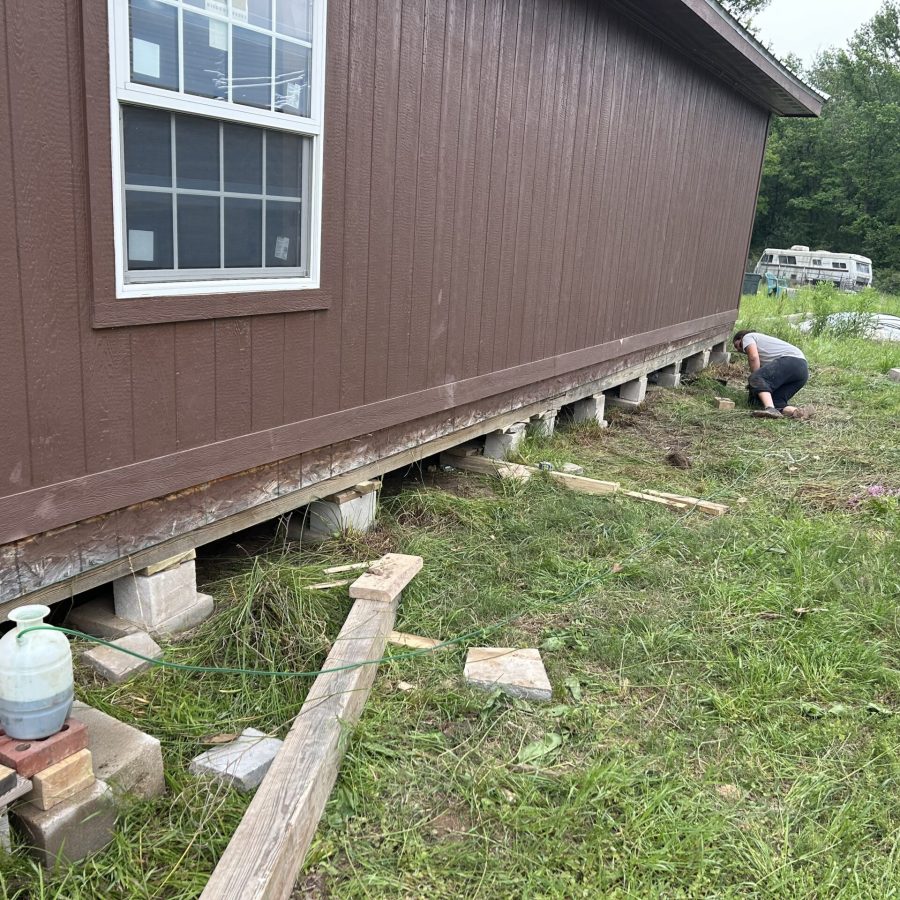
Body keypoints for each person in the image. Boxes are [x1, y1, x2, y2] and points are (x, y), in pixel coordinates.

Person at [732, 330, 808, 419]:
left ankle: (770, 409)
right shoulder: (766, 354)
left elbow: (753, 357)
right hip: (802, 371)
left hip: (791, 361)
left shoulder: (747, 337)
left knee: (756, 377)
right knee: (776, 401)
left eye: (738, 345)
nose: (738, 350)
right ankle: (800, 412)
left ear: (741, 338)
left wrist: (755, 378)